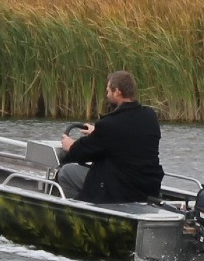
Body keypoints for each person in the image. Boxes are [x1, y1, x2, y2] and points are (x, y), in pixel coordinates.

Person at [57, 70, 164, 202]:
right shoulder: (149, 116)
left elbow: (80, 153)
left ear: (117, 91)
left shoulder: (110, 125)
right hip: (147, 187)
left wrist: (71, 146)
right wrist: (97, 131)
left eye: (108, 91)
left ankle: (81, 213)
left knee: (66, 172)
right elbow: (127, 137)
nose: (107, 95)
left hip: (119, 188)